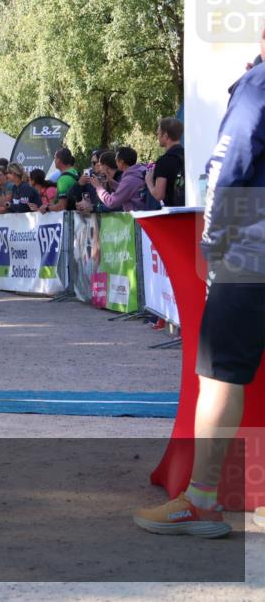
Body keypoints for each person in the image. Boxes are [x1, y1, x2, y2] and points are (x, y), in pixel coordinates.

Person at [133, 34, 265, 538]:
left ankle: (202, 502)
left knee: (219, 376)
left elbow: (228, 168)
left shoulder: (256, 85)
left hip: (251, 248)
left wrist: (211, 243)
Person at [84, 147, 146, 212]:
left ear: (121, 162)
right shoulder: (136, 173)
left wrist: (99, 188)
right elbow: (125, 191)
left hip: (138, 218)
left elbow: (111, 202)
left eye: (116, 160)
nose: (115, 162)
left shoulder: (129, 179)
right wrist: (111, 181)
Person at [146, 117, 185, 207]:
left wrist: (149, 182)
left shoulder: (164, 161)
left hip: (173, 214)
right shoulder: (188, 156)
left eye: (159, 133)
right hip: (191, 212)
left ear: (166, 136)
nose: (157, 136)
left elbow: (159, 195)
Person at [39, 148, 80, 213]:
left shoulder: (63, 179)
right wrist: (49, 205)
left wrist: (47, 208)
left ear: (58, 160)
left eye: (55, 158)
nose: (54, 161)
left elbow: (62, 206)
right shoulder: (75, 172)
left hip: (69, 218)